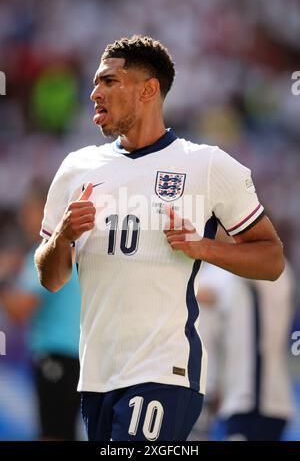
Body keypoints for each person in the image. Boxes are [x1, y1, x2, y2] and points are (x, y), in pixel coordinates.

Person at [34, 35, 284, 441]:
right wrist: (63, 237)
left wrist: (203, 246)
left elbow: (271, 259)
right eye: (96, 83)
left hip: (163, 370)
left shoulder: (205, 164)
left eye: (109, 81)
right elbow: (51, 277)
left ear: (149, 90)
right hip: (95, 376)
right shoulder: (75, 168)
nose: (94, 92)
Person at [0, 179, 81, 440]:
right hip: (79, 355)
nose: (24, 220)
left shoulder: (45, 253)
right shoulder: (72, 249)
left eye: (29, 212)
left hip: (56, 357)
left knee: (53, 434)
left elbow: (19, 310)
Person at [191, 257, 294, 441]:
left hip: (259, 404)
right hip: (234, 403)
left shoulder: (270, 262)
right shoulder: (221, 272)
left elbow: (208, 291)